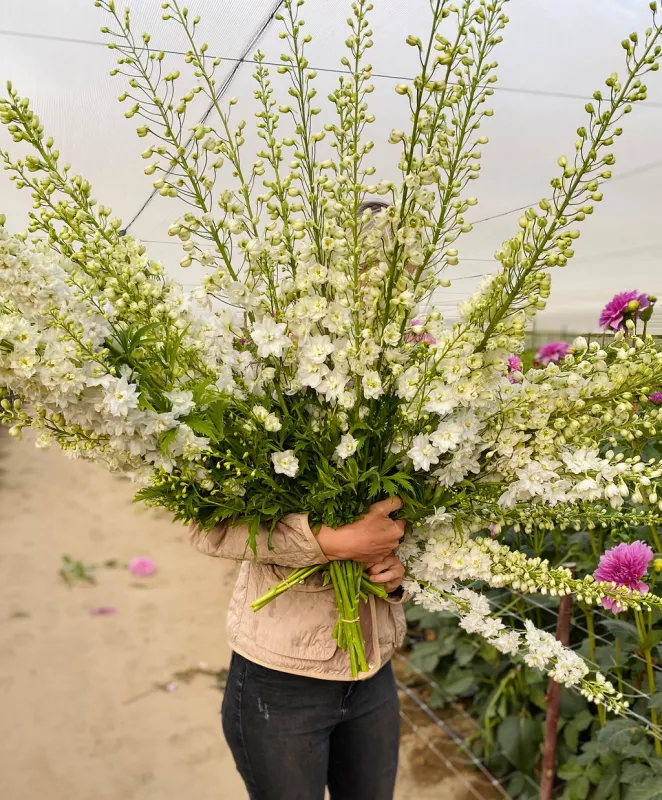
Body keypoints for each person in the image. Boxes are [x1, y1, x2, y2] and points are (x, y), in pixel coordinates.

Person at [189, 499, 407, 800]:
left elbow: (401, 536)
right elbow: (209, 527)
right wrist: (323, 541)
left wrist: (392, 571)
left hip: (373, 671)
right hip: (280, 685)